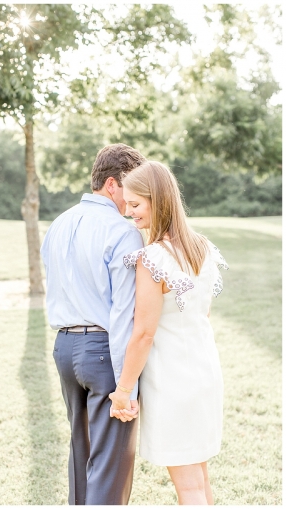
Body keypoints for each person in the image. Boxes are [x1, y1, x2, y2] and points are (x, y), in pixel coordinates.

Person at [108, 161, 228, 505]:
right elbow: (202, 312)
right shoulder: (201, 247)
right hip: (204, 372)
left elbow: (144, 333)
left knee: (189, 487)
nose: (129, 212)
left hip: (174, 381)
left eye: (135, 204)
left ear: (158, 201)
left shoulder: (152, 258)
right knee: (199, 478)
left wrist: (124, 390)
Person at [40, 143, 147, 505]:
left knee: (81, 453)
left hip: (64, 348)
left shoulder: (58, 224)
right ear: (113, 184)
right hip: (104, 351)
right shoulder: (122, 231)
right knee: (109, 464)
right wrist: (126, 387)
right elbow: (122, 314)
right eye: (132, 189)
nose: (135, 199)